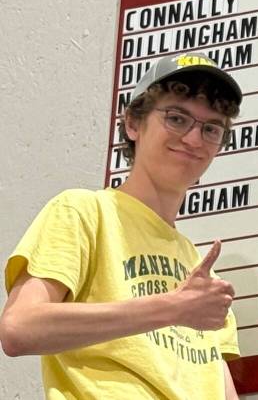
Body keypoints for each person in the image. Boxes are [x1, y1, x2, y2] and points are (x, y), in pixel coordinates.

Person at [1, 51, 244, 399]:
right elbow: (18, 328)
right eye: (177, 119)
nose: (194, 139)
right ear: (133, 123)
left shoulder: (200, 271)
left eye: (211, 129)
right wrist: (170, 309)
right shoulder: (84, 211)